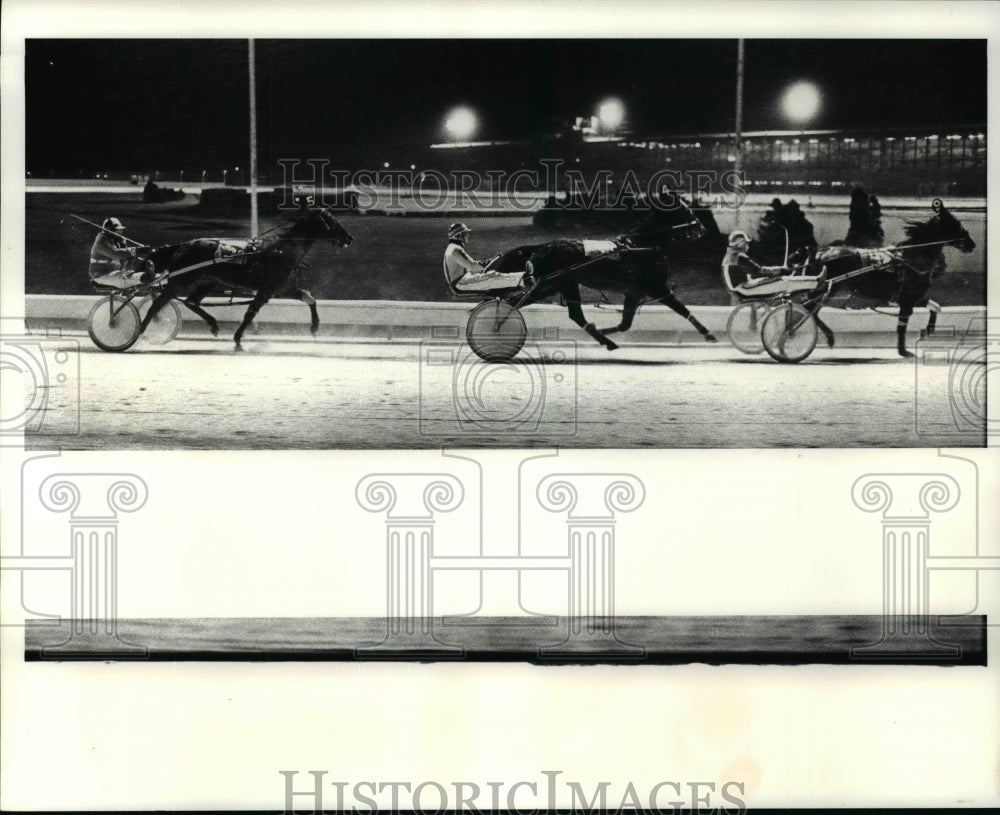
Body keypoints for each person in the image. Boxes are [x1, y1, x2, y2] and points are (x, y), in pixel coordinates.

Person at [721, 230, 824, 299]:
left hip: (742, 287)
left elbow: (758, 270)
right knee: (783, 281)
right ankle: (816, 281)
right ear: (741, 243)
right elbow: (759, 271)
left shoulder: (730, 255)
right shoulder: (739, 256)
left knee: (780, 279)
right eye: (746, 243)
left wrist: (780, 269)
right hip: (745, 288)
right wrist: (782, 270)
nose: (747, 246)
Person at [443, 222, 523, 293]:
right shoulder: (455, 249)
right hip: (462, 283)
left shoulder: (452, 248)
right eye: (465, 234)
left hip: (462, 281)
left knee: (492, 275)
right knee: (493, 277)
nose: (467, 236)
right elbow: (473, 266)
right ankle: (522, 279)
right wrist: (492, 260)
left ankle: (521, 278)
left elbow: (472, 266)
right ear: (458, 236)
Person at [88, 217, 152, 288]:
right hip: (101, 275)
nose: (120, 232)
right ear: (109, 230)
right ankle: (145, 277)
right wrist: (137, 250)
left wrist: (124, 245)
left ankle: (149, 277)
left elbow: (125, 258)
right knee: (129, 279)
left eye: (121, 230)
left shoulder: (114, 241)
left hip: (113, 273)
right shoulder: (102, 241)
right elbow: (115, 253)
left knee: (134, 275)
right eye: (118, 230)